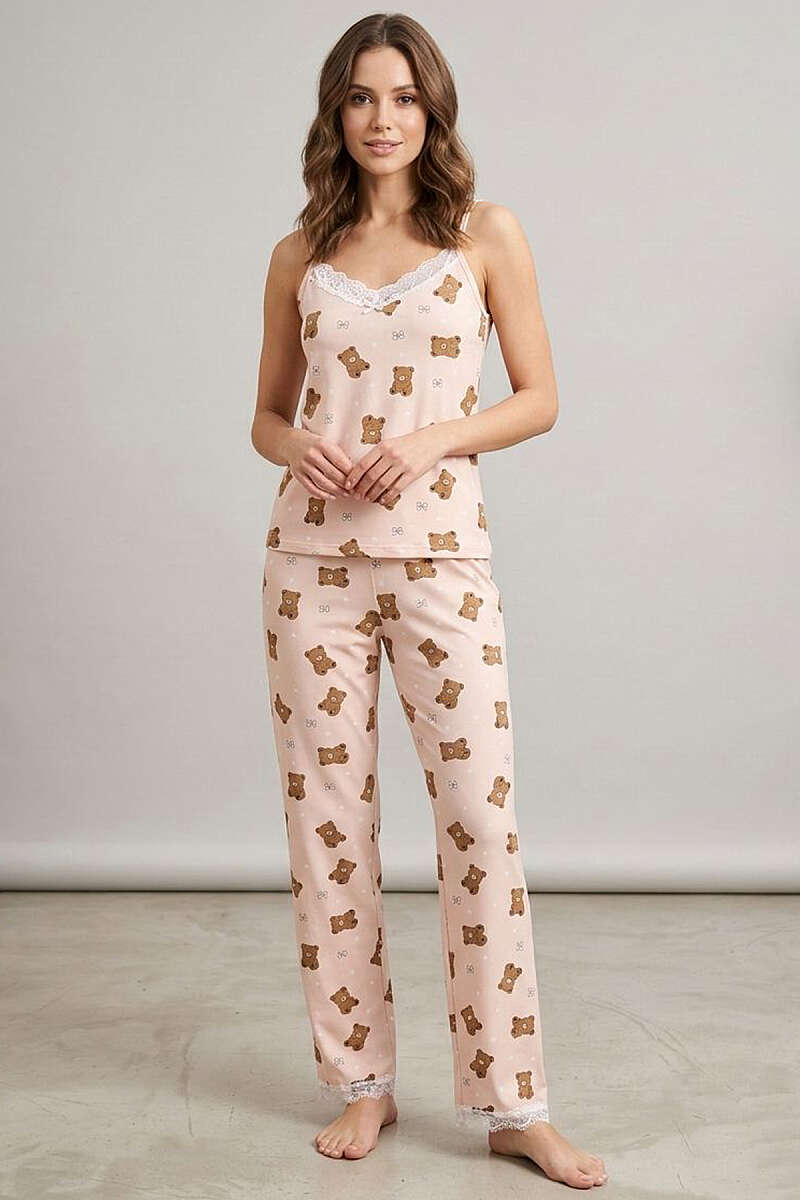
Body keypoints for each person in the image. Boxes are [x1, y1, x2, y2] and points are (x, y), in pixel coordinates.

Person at [251, 13, 607, 1190]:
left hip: (440, 560)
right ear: (334, 114)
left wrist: (430, 441)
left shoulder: (483, 235)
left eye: (402, 96)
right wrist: (296, 449)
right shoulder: (300, 254)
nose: (382, 118)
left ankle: (511, 1106)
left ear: (432, 110)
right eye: (360, 97)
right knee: (328, 828)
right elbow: (265, 416)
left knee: (478, 827)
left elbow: (538, 396)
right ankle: (361, 1084)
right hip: (311, 567)